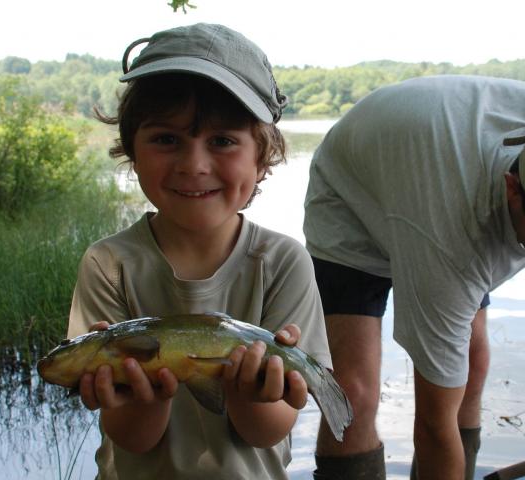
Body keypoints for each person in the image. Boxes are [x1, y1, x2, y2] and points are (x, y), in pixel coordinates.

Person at [304, 75, 525, 479]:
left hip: (440, 167)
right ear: (514, 193)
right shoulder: (451, 233)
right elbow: (434, 426)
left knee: (473, 360)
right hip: (354, 190)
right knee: (352, 395)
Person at [65, 23, 332, 479]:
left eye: (223, 141)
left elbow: (268, 433)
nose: (194, 165)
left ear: (261, 156)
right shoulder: (108, 265)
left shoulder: (283, 262)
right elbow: (131, 437)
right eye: (167, 139)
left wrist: (249, 395)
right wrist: (149, 394)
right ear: (132, 149)